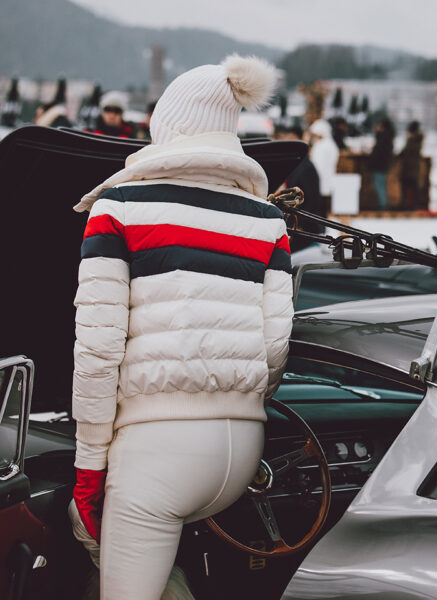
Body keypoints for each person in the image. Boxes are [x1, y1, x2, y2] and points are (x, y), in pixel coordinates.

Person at [69, 54, 292, 599]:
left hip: (156, 453)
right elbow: (275, 344)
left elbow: (98, 351)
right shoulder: (266, 219)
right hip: (241, 449)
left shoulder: (120, 207)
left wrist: (88, 465)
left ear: (166, 125)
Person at [275, 125, 325, 252]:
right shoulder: (297, 164)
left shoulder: (305, 167)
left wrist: (301, 224)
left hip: (304, 229)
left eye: (290, 138)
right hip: (297, 225)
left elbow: (311, 200)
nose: (286, 142)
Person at [308, 118, 339, 216]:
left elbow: (317, 165)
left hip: (319, 179)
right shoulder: (331, 144)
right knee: (324, 204)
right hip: (328, 178)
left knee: (319, 206)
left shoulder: (321, 146)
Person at [367, 117, 395, 211]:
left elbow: (378, 152)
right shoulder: (387, 137)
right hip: (382, 165)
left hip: (379, 165)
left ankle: (383, 205)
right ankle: (383, 204)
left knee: (379, 185)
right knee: (380, 185)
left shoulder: (383, 138)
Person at [398, 120, 424, 210]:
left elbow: (408, 151)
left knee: (412, 187)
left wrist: (410, 139)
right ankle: (407, 205)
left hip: (411, 167)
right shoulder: (415, 139)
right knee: (408, 187)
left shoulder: (415, 140)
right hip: (409, 167)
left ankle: (411, 206)